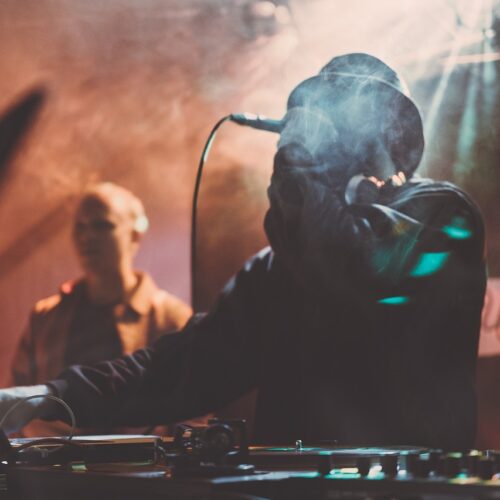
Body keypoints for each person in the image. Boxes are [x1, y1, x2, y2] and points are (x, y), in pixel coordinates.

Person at [0, 54, 486, 449]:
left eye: (336, 112)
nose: (318, 130)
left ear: (388, 130)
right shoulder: (278, 267)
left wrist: (298, 165)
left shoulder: (442, 217)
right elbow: (186, 366)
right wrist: (52, 394)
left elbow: (349, 265)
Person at [9, 182, 192, 436]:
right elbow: (14, 407)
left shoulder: (172, 318)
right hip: (48, 459)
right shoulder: (45, 317)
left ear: (134, 236)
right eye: (80, 226)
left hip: (137, 460)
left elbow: (193, 413)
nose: (87, 237)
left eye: (102, 225)